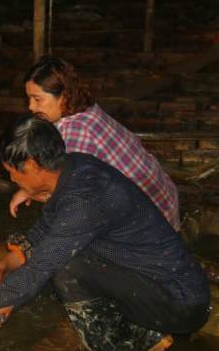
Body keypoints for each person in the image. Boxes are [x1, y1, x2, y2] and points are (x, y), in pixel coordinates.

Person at [0, 115, 210, 351]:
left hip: (178, 301)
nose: (11, 179)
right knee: (61, 264)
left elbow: (37, 272)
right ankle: (141, 333)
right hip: (154, 285)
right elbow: (38, 239)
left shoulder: (84, 201)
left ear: (32, 165)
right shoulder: (75, 169)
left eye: (12, 171)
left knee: (66, 269)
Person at [11, 56, 180, 229]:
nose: (31, 107)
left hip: (151, 218)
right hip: (162, 200)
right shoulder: (86, 111)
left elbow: (72, 197)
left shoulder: (76, 131)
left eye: (37, 99)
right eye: (29, 99)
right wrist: (30, 190)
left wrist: (34, 192)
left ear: (63, 97)